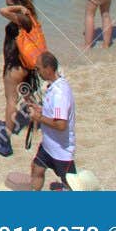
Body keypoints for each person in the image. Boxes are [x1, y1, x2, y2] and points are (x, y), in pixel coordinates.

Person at [27, 52, 75, 189]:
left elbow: (61, 124)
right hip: (48, 146)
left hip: (61, 151)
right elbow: (55, 112)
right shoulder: (54, 86)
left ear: (48, 69)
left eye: (38, 68)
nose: (37, 72)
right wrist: (41, 109)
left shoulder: (60, 93)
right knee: (37, 169)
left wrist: (39, 118)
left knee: (71, 185)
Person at [0, 0, 45, 126]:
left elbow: (2, 11)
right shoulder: (28, 19)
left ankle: (7, 133)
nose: (9, 7)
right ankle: (38, 123)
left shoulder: (23, 19)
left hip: (14, 68)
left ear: (18, 4)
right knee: (28, 97)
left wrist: (18, 7)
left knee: (11, 101)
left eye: (10, 4)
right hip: (24, 66)